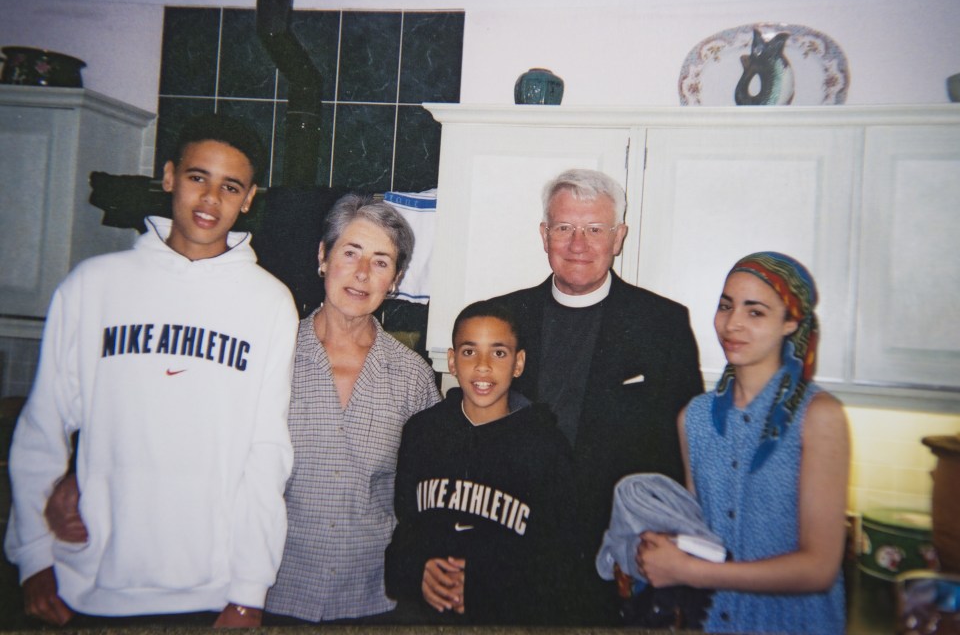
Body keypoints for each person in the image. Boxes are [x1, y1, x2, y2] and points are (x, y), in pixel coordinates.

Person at [3, 113, 298, 628]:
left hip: (211, 588)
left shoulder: (270, 303)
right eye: (196, 177)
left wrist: (250, 590)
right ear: (168, 177)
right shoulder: (94, 285)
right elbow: (43, 426)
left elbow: (267, 453)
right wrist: (33, 556)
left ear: (249, 198)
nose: (210, 200)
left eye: (230, 187)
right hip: (86, 582)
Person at [488, 168, 703, 622]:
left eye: (594, 229)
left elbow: (689, 455)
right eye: (564, 228)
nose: (578, 244)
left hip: (616, 559)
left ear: (619, 237)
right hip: (512, 554)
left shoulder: (662, 325)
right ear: (544, 235)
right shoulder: (503, 318)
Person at [635, 251, 850, 634]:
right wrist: (661, 545)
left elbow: (819, 569)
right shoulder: (695, 418)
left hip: (793, 624)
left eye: (756, 312)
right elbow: (698, 531)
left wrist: (691, 571)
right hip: (712, 621)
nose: (732, 324)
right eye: (725, 306)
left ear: (791, 322)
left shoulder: (819, 417)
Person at [263, 193, 442, 623]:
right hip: (274, 593)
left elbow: (430, 490)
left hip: (373, 600)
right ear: (323, 257)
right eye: (351, 253)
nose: (362, 274)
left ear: (396, 279)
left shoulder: (413, 377)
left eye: (381, 262)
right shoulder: (272, 357)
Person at [384, 300, 580, 625]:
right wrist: (419, 569)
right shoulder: (422, 433)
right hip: (427, 618)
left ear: (519, 364)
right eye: (469, 352)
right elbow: (405, 530)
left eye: (499, 353)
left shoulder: (545, 446)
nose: (483, 366)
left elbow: (559, 558)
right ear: (451, 360)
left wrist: (482, 582)